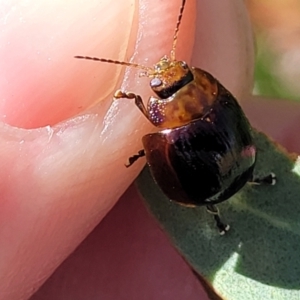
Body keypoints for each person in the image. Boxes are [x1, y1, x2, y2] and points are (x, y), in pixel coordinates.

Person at [1, 1, 299, 299]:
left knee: (156, 147)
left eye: (162, 81)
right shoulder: (214, 96)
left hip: (214, 182)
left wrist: (135, 99)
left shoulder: (172, 120)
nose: (163, 72)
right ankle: (231, 197)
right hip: (240, 166)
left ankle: (217, 208)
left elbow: (156, 143)